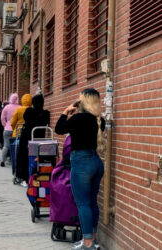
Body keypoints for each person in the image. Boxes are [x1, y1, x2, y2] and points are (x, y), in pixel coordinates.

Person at [55, 88, 105, 250]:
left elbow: (59, 129)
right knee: (92, 202)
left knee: (83, 203)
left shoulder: (78, 119)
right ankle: (93, 240)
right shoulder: (99, 121)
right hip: (96, 162)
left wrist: (65, 111)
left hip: (81, 163)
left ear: (82, 101)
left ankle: (88, 243)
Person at [16, 95, 50, 187]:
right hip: (39, 139)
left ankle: (24, 178)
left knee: (24, 157)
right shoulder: (46, 113)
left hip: (27, 137)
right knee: (36, 158)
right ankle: (37, 177)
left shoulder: (29, 111)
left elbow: (26, 118)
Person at [0, 93, 20, 167]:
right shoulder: (19, 107)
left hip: (7, 129)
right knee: (16, 146)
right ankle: (13, 160)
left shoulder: (6, 107)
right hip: (17, 129)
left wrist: (5, 125)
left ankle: (3, 160)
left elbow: (2, 118)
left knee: (6, 146)